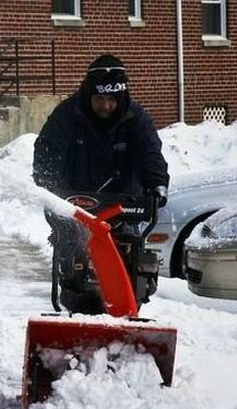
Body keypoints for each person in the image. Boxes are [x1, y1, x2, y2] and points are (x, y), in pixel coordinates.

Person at [32, 54, 169, 314]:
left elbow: (150, 154)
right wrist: (47, 182)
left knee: (131, 255)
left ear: (121, 97)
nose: (105, 106)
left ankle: (129, 306)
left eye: (111, 100)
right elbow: (48, 151)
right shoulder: (67, 115)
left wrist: (157, 184)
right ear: (88, 95)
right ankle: (77, 303)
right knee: (74, 256)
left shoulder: (136, 119)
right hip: (76, 203)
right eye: (98, 99)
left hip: (122, 204)